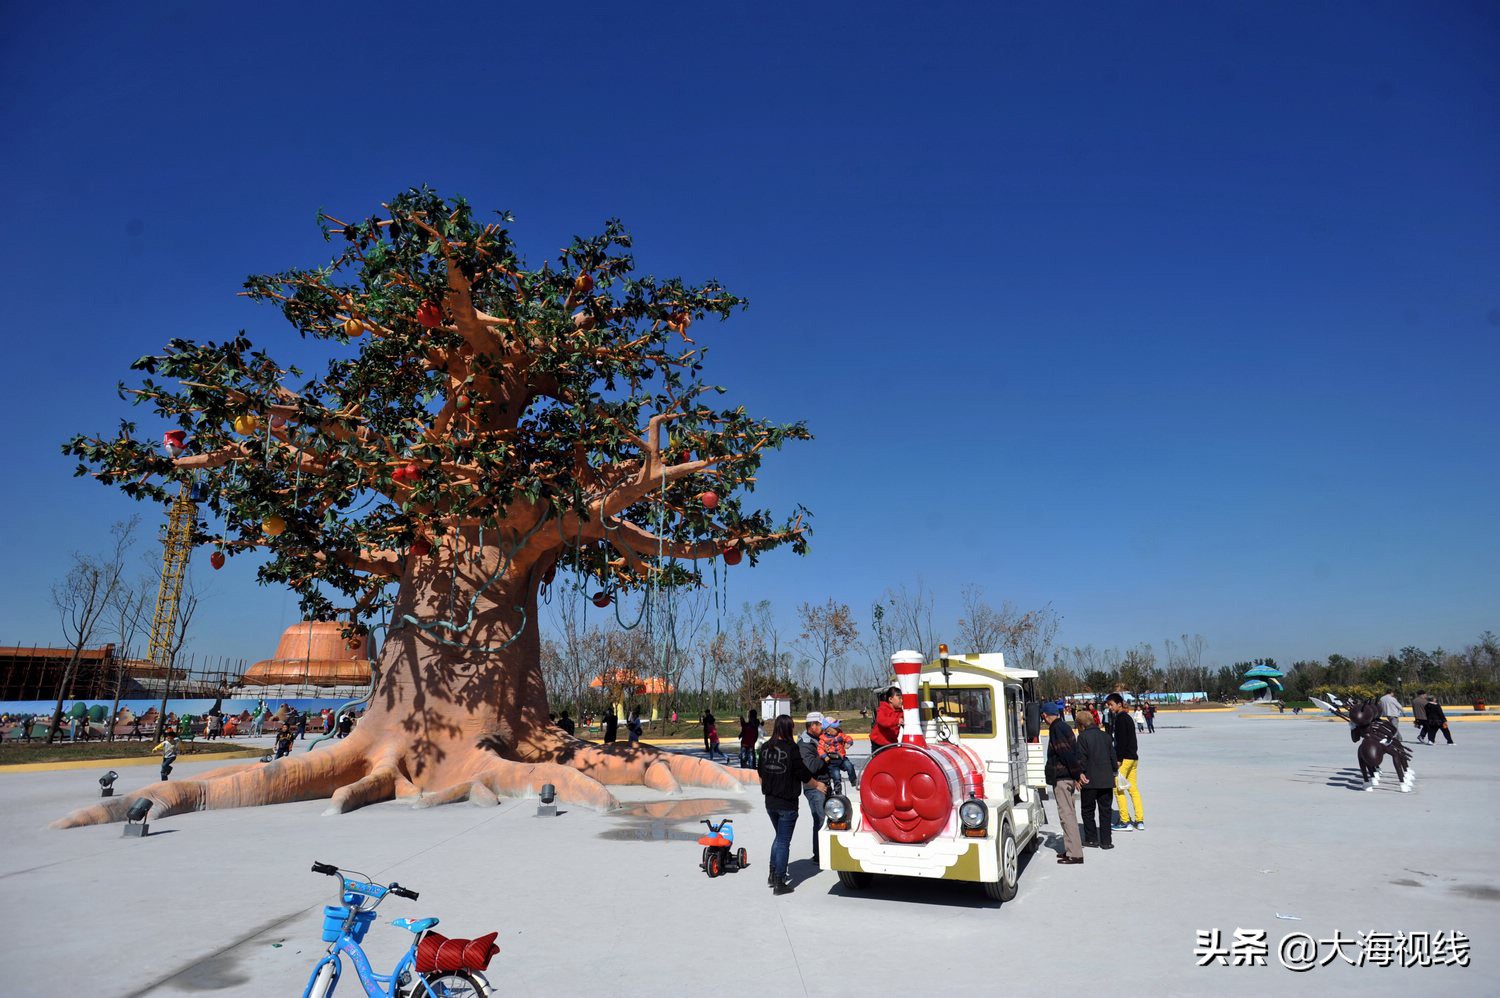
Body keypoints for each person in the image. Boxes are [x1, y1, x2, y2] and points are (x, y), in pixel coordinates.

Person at [757, 714, 826, 895]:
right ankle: (780, 881)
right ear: (788, 728)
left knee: (779, 837)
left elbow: (760, 772)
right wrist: (817, 784)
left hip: (770, 802)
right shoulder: (791, 748)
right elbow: (802, 773)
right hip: (786, 803)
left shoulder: (765, 747)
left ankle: (772, 874)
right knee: (783, 841)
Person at [1041, 700, 1085, 864]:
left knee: (1067, 815)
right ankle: (1070, 849)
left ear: (1045, 716)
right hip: (1066, 775)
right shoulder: (1063, 726)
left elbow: (1065, 753)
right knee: (1067, 814)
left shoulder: (1057, 729)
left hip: (1063, 777)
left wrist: (1076, 775)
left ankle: (1075, 853)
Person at [1075, 711, 1117, 850]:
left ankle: (1092, 839)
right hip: (1106, 780)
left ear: (1081, 724)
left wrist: (1079, 774)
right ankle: (1106, 841)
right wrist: (1113, 773)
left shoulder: (1082, 737)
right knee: (1105, 811)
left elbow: (1082, 759)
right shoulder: (1106, 736)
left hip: (1089, 780)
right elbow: (1113, 758)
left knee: (1088, 810)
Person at [797, 712, 833, 865]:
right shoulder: (805, 744)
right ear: (812, 726)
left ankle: (822, 853)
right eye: (819, 724)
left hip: (824, 783)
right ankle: (820, 855)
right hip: (814, 787)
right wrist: (825, 757)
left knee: (828, 819)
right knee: (820, 821)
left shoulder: (817, 739)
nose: (822, 727)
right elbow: (810, 767)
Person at [1106, 693, 1144, 831]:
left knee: (1118, 788)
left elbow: (1121, 741)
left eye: (1111, 704)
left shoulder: (1121, 718)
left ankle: (1124, 821)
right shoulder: (1127, 717)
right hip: (1133, 758)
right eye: (1108, 705)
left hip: (1125, 759)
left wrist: (1118, 760)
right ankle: (1139, 820)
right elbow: (1132, 740)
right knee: (1133, 788)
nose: (1110, 707)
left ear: (1119, 704)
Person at [819, 718, 858, 792]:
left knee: (849, 766)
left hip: (842, 758)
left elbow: (847, 738)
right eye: (835, 728)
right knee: (836, 776)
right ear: (828, 731)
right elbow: (820, 749)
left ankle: (853, 780)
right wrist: (824, 756)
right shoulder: (823, 739)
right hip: (832, 761)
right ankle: (838, 790)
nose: (838, 729)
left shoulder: (840, 734)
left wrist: (849, 743)